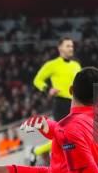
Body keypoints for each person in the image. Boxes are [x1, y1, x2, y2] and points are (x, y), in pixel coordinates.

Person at [28, 37, 81, 165]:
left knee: (70, 138)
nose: (71, 48)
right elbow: (37, 80)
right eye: (68, 46)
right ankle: (54, 158)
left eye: (72, 46)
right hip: (61, 103)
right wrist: (47, 90)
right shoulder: (52, 65)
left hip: (75, 104)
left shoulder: (76, 65)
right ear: (60, 48)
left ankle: (37, 151)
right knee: (65, 136)